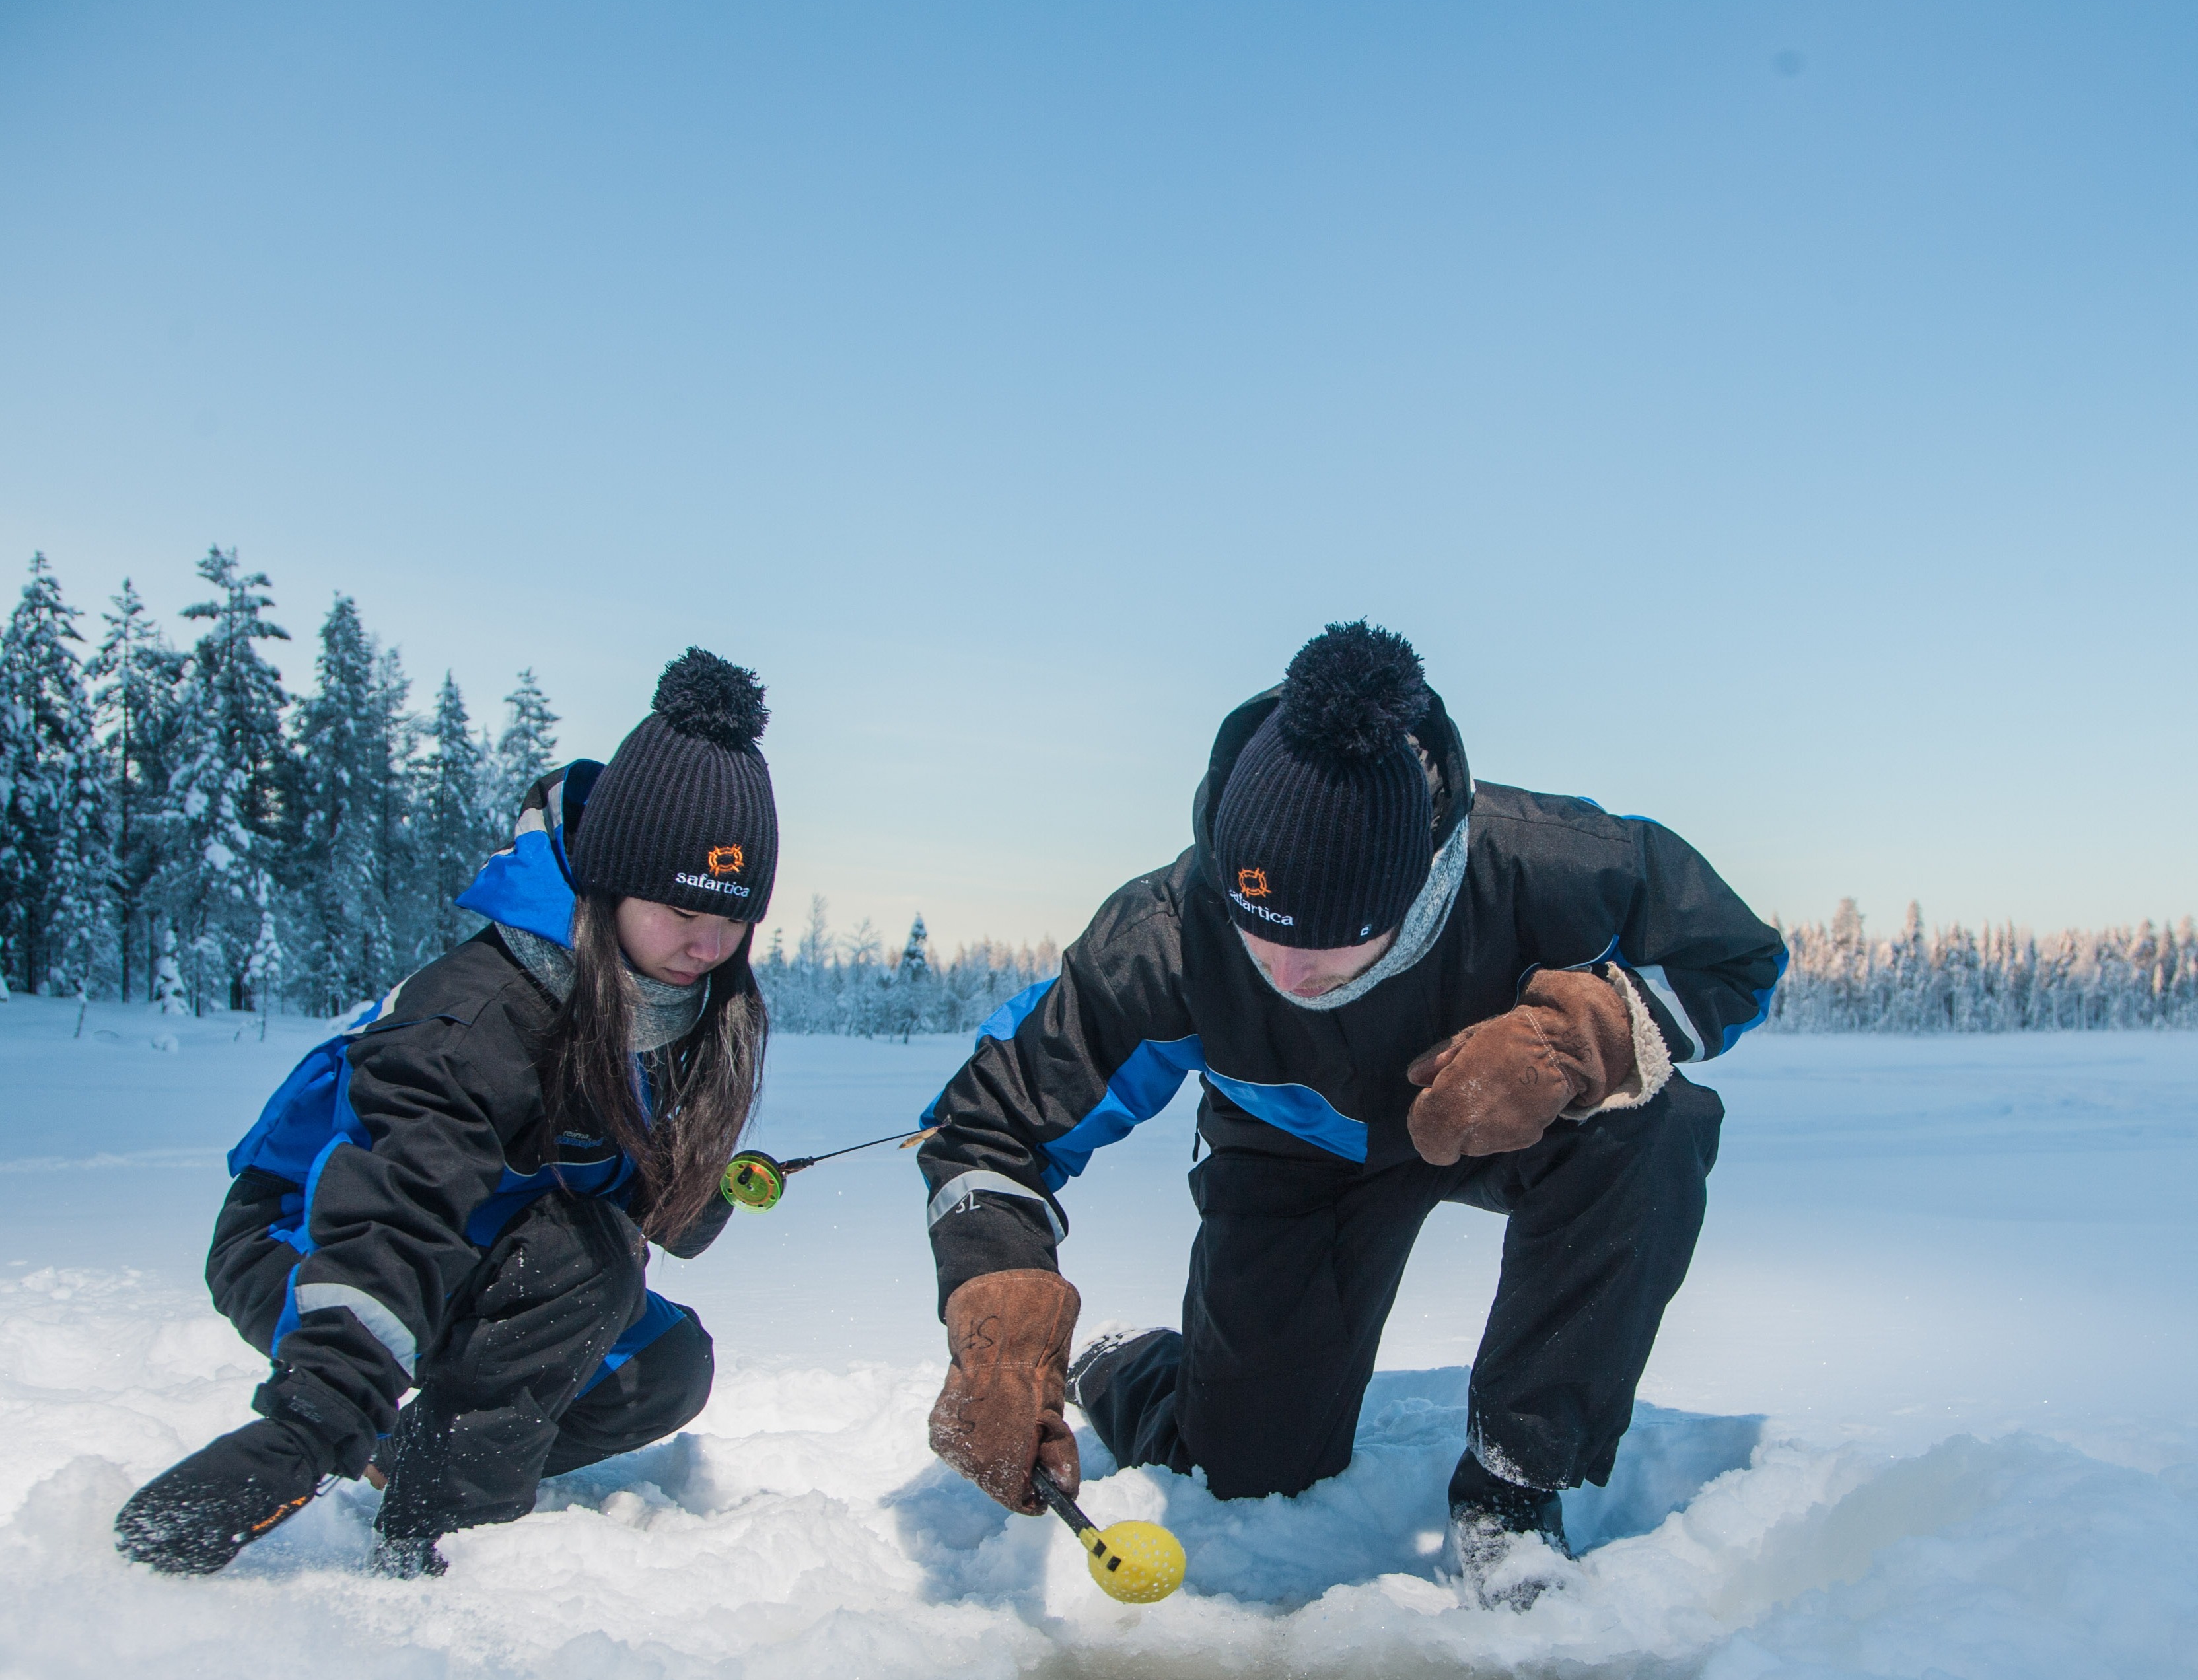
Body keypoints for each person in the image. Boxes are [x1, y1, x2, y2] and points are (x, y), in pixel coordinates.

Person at [918, 621, 1786, 1590]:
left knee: (1655, 1127)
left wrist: (1572, 1040)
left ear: (1419, 884)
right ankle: (1130, 1370)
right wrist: (999, 1323)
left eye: (1335, 941)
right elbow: (987, 1129)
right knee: (1248, 1471)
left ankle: (1514, 1489)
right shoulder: (1165, 936)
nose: (1287, 972)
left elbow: (1736, 959)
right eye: (1257, 929)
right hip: (1296, 1153)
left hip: (1504, 1118)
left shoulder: (1551, 863)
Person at [115, 649, 779, 1578]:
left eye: (733, 917)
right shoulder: (473, 1019)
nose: (706, 944)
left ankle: (409, 1460)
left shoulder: (659, 999)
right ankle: (439, 1533)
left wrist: (687, 1186)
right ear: (608, 882)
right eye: (678, 909)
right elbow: (397, 1206)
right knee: (584, 1257)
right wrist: (318, 1419)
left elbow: (589, 1160)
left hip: (485, 1246)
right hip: (314, 1245)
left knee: (662, 1368)